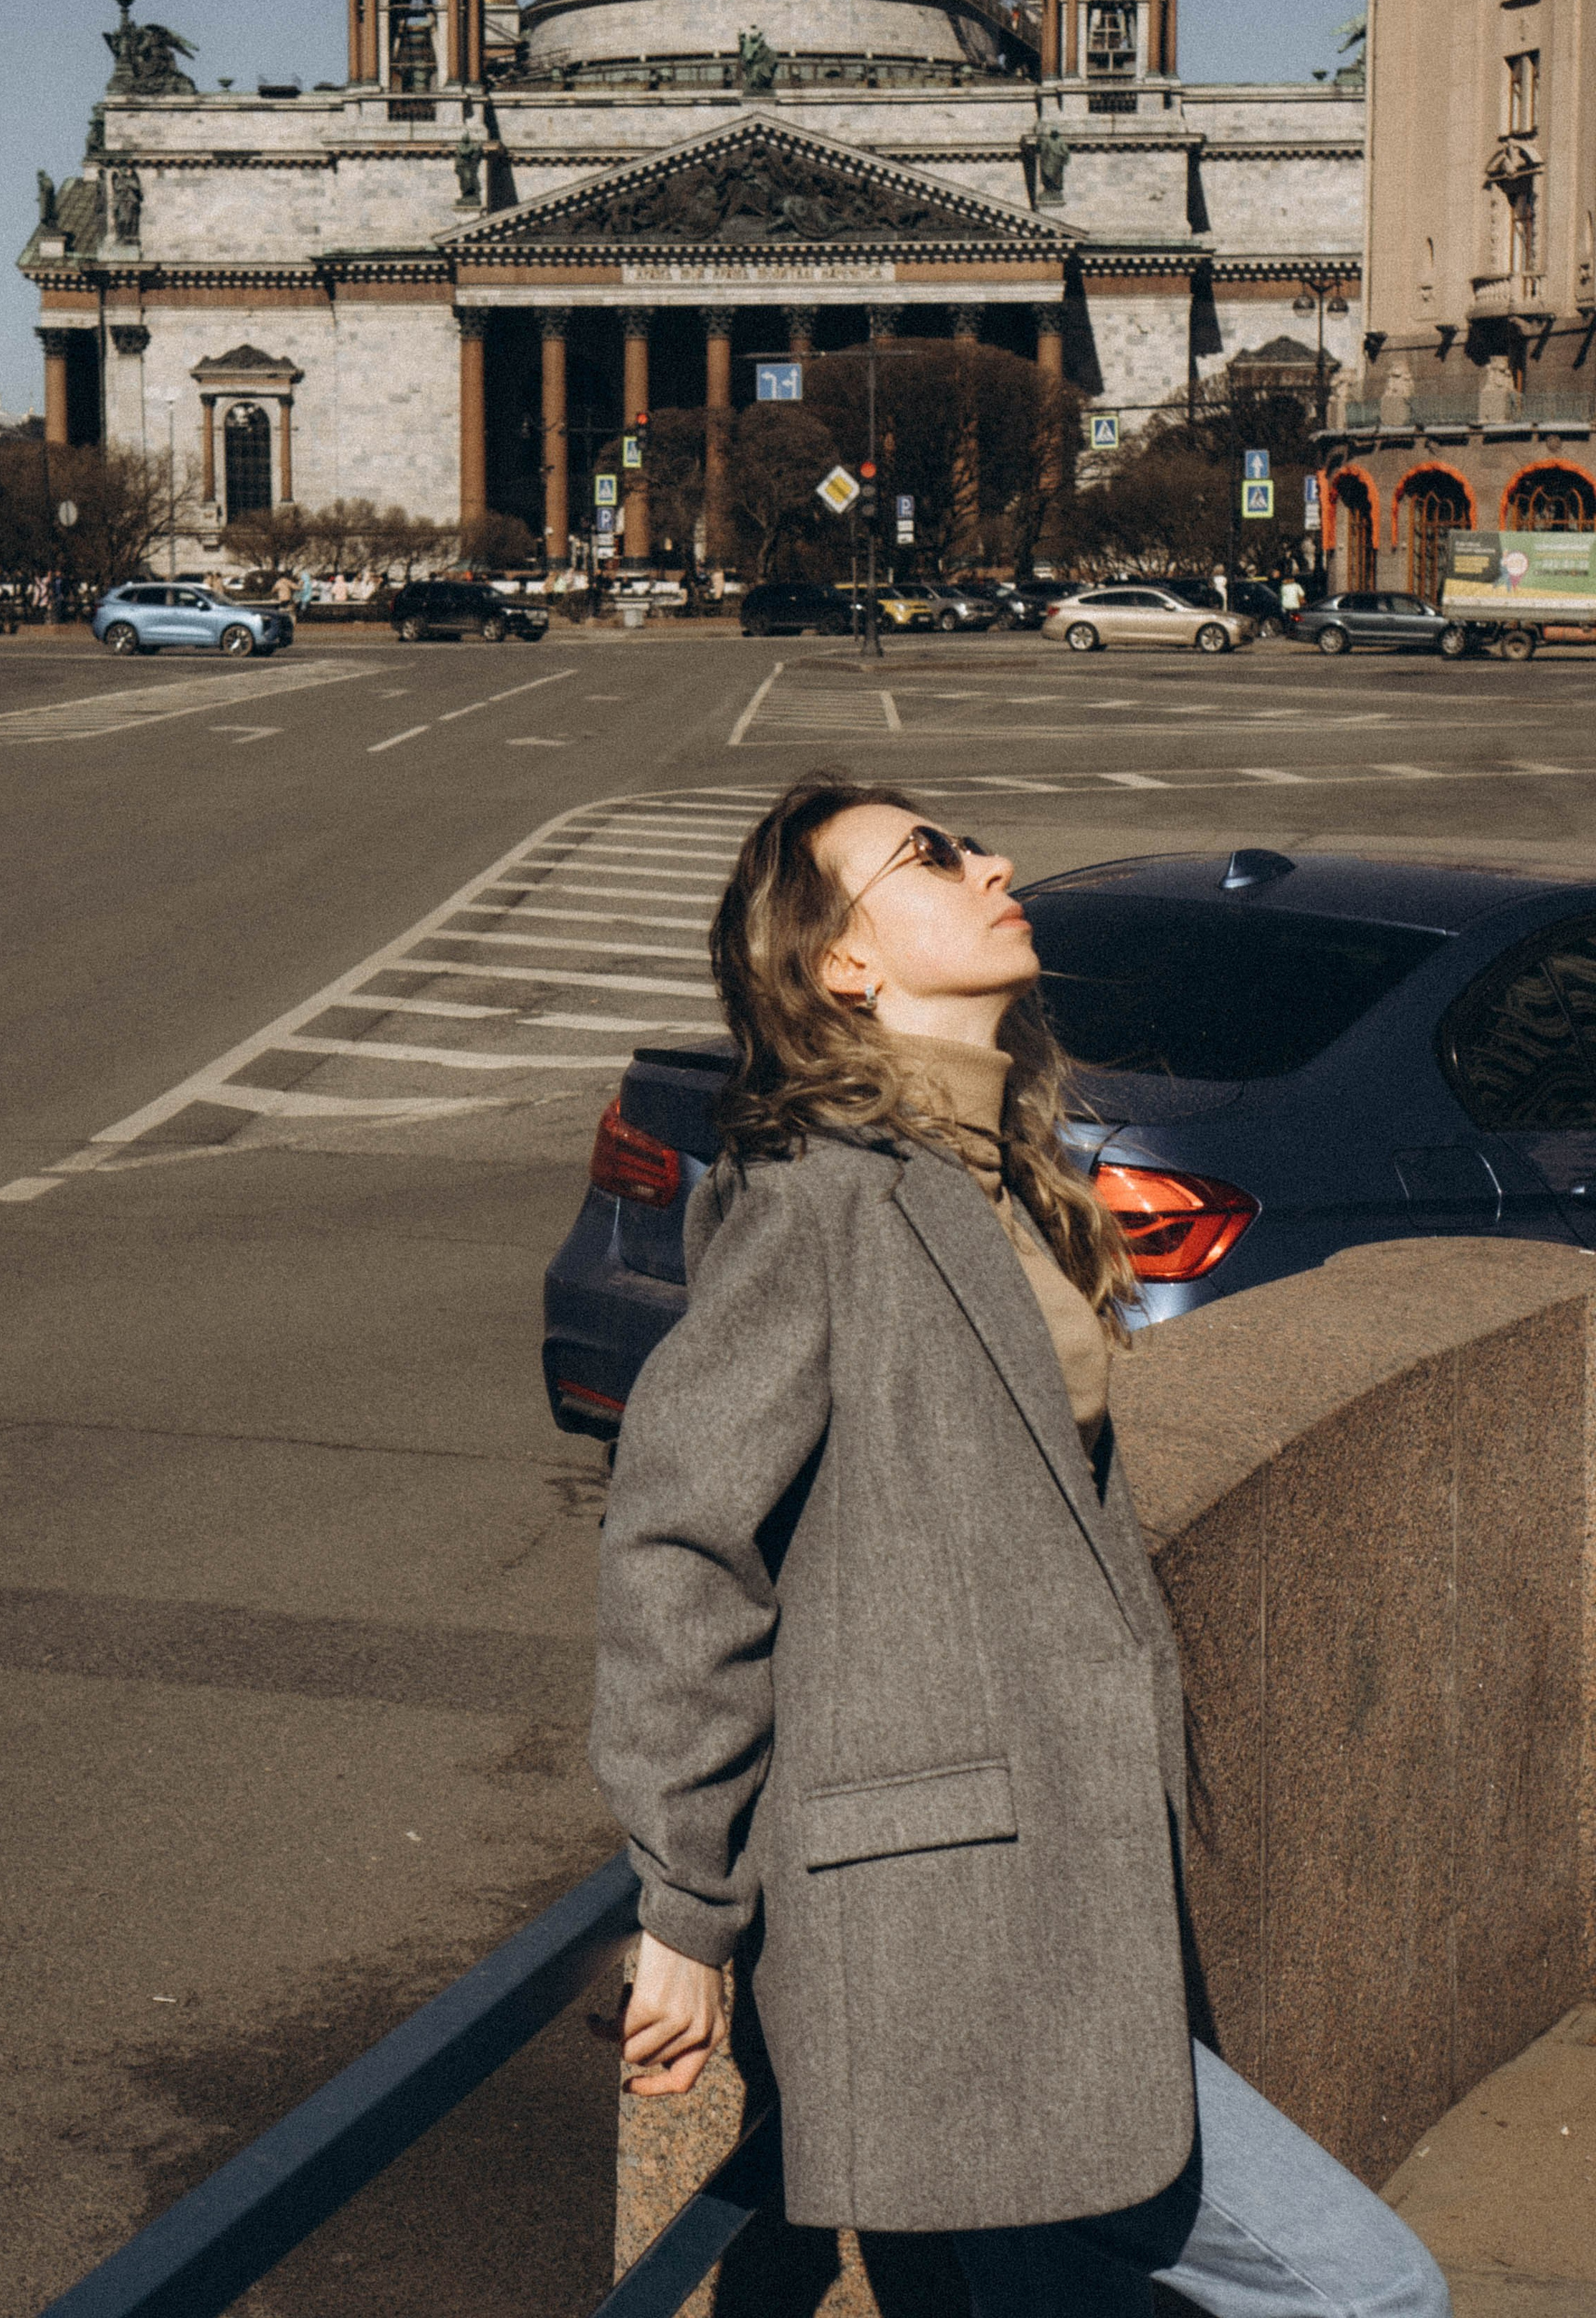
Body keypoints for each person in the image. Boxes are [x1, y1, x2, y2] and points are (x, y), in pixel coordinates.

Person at [593, 776, 1450, 2317]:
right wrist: (683, 1908)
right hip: (940, 1930)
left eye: (968, 841)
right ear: (840, 965)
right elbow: (678, 1540)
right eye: (928, 857)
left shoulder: (989, 1175)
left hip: (1045, 1898)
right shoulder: (816, 1201)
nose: (989, 862)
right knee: (1366, 2290)